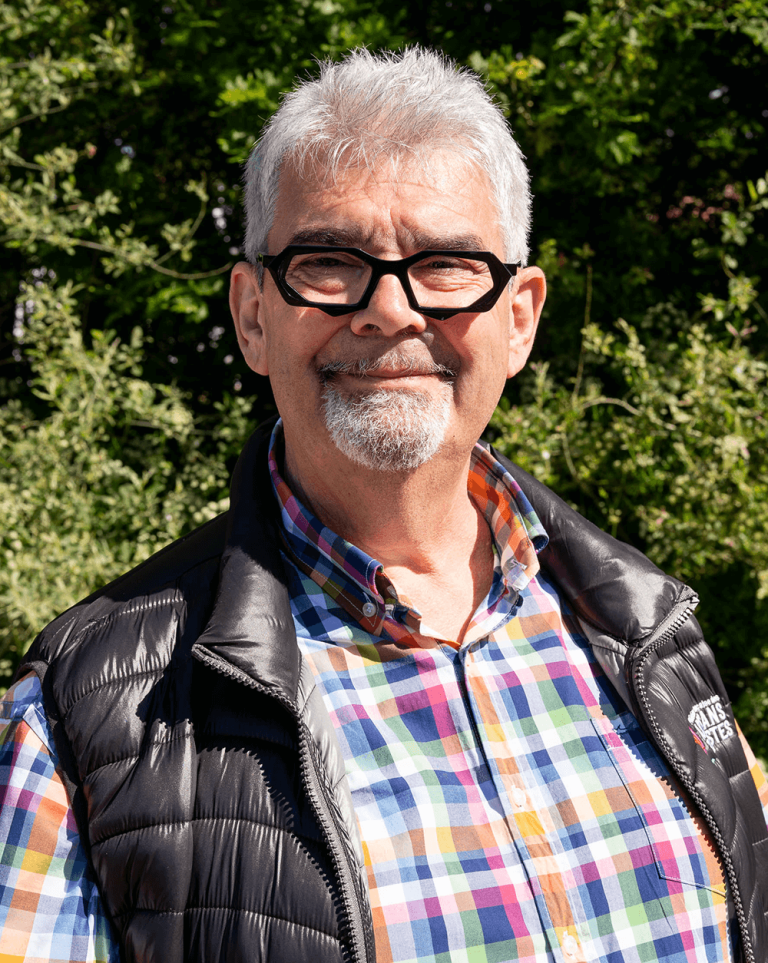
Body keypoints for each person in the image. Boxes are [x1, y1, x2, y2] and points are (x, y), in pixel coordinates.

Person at [1, 46, 766, 963]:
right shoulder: (82, 720)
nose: (391, 310)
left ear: (519, 318)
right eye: (329, 261)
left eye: (446, 264)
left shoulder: (651, 632)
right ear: (253, 315)